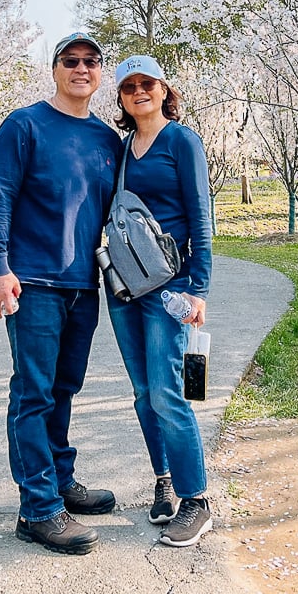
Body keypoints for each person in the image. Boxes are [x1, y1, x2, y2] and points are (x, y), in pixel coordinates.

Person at [0, 32, 122, 555]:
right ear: (56, 69)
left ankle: (60, 481)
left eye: (91, 61)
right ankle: (38, 509)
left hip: (84, 285)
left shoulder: (107, 140)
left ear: (100, 72)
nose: (81, 69)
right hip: (33, 282)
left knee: (64, 388)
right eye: (71, 61)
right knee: (34, 392)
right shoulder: (24, 126)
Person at [107, 55, 215, 548]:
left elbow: (201, 217)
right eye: (129, 86)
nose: (139, 91)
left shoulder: (181, 141)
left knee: (169, 392)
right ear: (121, 97)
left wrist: (199, 288)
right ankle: (164, 479)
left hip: (171, 288)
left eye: (147, 83)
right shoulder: (122, 149)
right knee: (143, 391)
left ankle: (197, 500)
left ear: (164, 89)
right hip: (125, 288)